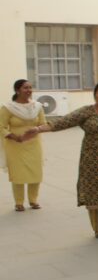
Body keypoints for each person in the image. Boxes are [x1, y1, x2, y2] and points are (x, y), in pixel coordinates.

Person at [34, 82, 98, 238]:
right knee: (96, 193)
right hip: (94, 162)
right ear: (94, 95)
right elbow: (65, 121)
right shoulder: (87, 111)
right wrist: (38, 129)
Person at [1, 80, 46, 211]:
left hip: (34, 144)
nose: (29, 90)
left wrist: (36, 130)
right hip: (15, 145)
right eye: (25, 88)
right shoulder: (8, 107)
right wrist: (15, 137)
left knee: (36, 172)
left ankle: (33, 200)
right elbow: (1, 127)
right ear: (17, 90)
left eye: (30, 87)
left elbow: (43, 124)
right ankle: (19, 203)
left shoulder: (37, 106)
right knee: (18, 174)